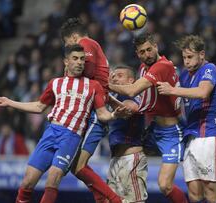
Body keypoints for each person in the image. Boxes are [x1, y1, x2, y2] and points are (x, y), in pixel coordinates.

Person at [0, 44, 125, 203]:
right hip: (50, 133)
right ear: (66, 62)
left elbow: (102, 114)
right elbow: (39, 106)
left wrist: (113, 115)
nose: (79, 62)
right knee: (27, 181)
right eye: (75, 59)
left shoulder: (93, 86)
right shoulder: (55, 83)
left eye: (82, 59)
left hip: (70, 137)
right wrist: (9, 102)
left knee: (53, 178)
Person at [109, 33, 187, 203]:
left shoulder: (163, 66)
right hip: (153, 129)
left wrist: (105, 84)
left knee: (164, 185)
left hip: (171, 133)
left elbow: (132, 91)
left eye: (149, 49)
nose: (147, 54)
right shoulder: (144, 67)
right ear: (137, 54)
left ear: (156, 47)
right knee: (128, 153)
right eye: (142, 52)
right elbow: (144, 99)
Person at [60, 18, 125, 203]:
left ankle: (113, 199)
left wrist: (67, 72)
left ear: (73, 37)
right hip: (93, 108)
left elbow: (85, 75)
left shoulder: (85, 44)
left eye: (68, 44)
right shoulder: (93, 45)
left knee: (79, 166)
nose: (70, 50)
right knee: (74, 165)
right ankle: (101, 198)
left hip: (96, 112)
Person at [157, 35, 216, 203]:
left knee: (211, 193)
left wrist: (172, 90)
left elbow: (203, 92)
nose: (186, 61)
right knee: (194, 194)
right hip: (190, 138)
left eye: (190, 57)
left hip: (209, 135)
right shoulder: (185, 77)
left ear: (201, 54)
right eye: (184, 57)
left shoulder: (209, 69)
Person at [107, 65, 148, 202]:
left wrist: (105, 88)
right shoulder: (113, 96)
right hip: (114, 159)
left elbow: (130, 107)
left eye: (120, 76)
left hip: (131, 158)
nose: (115, 79)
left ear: (131, 81)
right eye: (114, 76)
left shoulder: (135, 94)